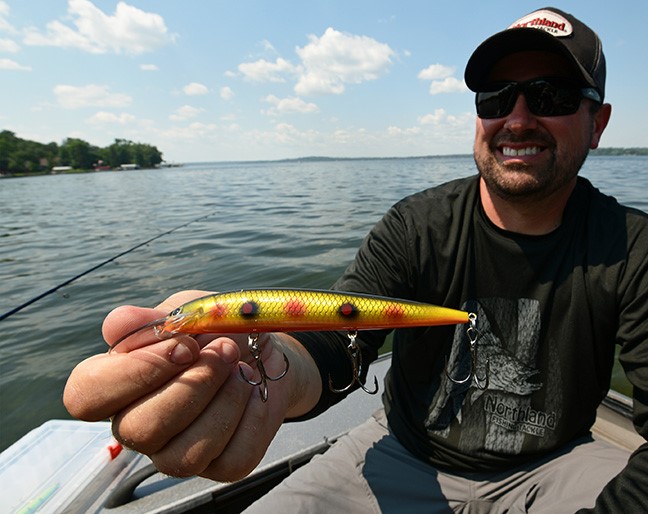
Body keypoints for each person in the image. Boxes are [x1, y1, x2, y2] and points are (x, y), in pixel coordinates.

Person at [64, 6, 647, 513]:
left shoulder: (634, 248)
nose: (517, 118)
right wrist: (267, 371)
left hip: (556, 465)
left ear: (598, 123)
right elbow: (341, 341)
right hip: (405, 450)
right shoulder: (416, 225)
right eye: (497, 96)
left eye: (551, 96)